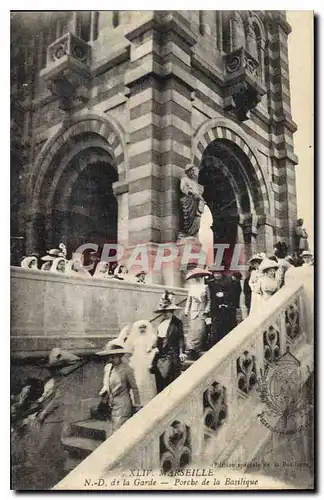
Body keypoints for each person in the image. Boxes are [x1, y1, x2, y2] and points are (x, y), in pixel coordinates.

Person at [11, 348, 83, 490]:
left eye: (55, 368)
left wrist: (43, 414)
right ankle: (53, 474)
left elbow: (57, 400)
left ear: (60, 368)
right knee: (49, 448)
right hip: (45, 417)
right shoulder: (51, 381)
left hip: (53, 419)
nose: (52, 371)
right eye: (52, 369)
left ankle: (55, 475)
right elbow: (43, 398)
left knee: (45, 447)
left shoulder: (63, 381)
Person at [96, 342, 141, 433]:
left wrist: (137, 405)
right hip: (110, 404)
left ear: (119, 356)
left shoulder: (127, 369)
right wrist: (104, 391)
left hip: (123, 405)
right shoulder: (108, 368)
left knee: (119, 431)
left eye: (113, 357)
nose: (111, 359)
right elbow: (106, 383)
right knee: (110, 431)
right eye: (109, 357)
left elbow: (135, 388)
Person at [150, 292, 186, 393]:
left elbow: (180, 338)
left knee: (171, 378)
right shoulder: (161, 323)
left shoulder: (177, 323)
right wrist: (155, 347)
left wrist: (181, 352)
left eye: (167, 311)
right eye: (164, 312)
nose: (165, 314)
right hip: (161, 354)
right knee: (160, 378)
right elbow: (159, 339)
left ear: (172, 311)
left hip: (172, 353)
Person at [125, 320, 157, 406]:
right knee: (138, 381)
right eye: (140, 327)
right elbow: (129, 351)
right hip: (137, 362)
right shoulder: (134, 339)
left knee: (147, 382)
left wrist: (150, 358)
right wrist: (132, 361)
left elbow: (153, 350)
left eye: (144, 327)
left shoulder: (151, 338)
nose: (142, 329)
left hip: (147, 362)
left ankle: (149, 402)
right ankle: (138, 402)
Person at [184, 268, 212, 360]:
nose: (197, 279)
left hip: (202, 311)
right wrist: (186, 310)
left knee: (201, 329)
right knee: (193, 329)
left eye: (199, 277)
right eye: (196, 278)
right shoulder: (192, 289)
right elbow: (189, 300)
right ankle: (191, 348)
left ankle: (198, 347)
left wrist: (207, 309)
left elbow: (209, 300)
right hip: (193, 311)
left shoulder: (205, 287)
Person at [208, 270, 235, 345]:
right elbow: (210, 297)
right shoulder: (211, 283)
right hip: (215, 308)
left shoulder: (228, 282)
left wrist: (224, 294)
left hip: (225, 308)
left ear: (221, 273)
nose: (217, 275)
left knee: (225, 326)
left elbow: (232, 294)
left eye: (218, 273)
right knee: (215, 327)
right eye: (215, 273)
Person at [178, 163, 205, 238]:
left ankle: (192, 233)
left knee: (196, 218)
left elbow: (198, 192)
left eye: (193, 171)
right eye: (191, 171)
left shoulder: (194, 182)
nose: (192, 172)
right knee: (187, 217)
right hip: (188, 201)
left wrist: (199, 197)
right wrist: (192, 193)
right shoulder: (184, 179)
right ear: (187, 172)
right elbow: (183, 188)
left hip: (196, 202)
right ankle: (186, 232)